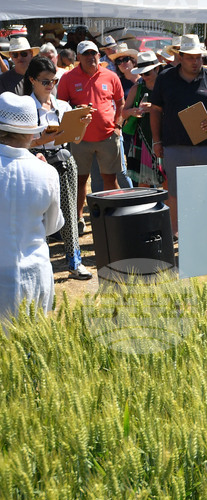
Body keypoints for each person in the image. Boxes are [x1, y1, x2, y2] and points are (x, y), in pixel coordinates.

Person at [148, 35, 207, 234]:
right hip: (175, 146)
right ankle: (176, 234)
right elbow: (155, 110)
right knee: (175, 193)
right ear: (180, 57)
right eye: (190, 57)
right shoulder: (165, 78)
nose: (195, 61)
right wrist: (157, 141)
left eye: (198, 57)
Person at [25, 57, 93, 280]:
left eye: (54, 81)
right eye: (45, 81)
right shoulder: (26, 107)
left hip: (63, 161)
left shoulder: (62, 106)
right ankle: (40, 264)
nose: (50, 86)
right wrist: (40, 140)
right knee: (38, 214)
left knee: (69, 212)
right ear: (32, 80)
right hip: (36, 161)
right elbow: (18, 143)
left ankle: (75, 262)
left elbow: (76, 139)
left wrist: (82, 125)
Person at [0, 92, 64, 321]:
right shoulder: (46, 172)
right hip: (35, 272)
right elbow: (52, 226)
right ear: (31, 133)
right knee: (33, 337)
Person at [57, 40, 125, 235]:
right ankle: (78, 219)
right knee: (79, 180)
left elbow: (120, 103)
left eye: (93, 53)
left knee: (110, 179)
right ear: (78, 57)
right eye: (85, 54)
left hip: (108, 136)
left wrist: (118, 126)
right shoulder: (68, 77)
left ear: (98, 55)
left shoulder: (111, 76)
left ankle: (114, 216)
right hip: (80, 138)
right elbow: (60, 107)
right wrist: (74, 109)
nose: (90, 57)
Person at [122, 51, 165, 188]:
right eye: (141, 74)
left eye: (147, 73)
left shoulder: (165, 88)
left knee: (167, 180)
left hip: (164, 137)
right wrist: (133, 111)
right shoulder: (137, 89)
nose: (144, 77)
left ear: (157, 69)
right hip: (143, 138)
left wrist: (155, 108)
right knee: (143, 181)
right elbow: (123, 113)